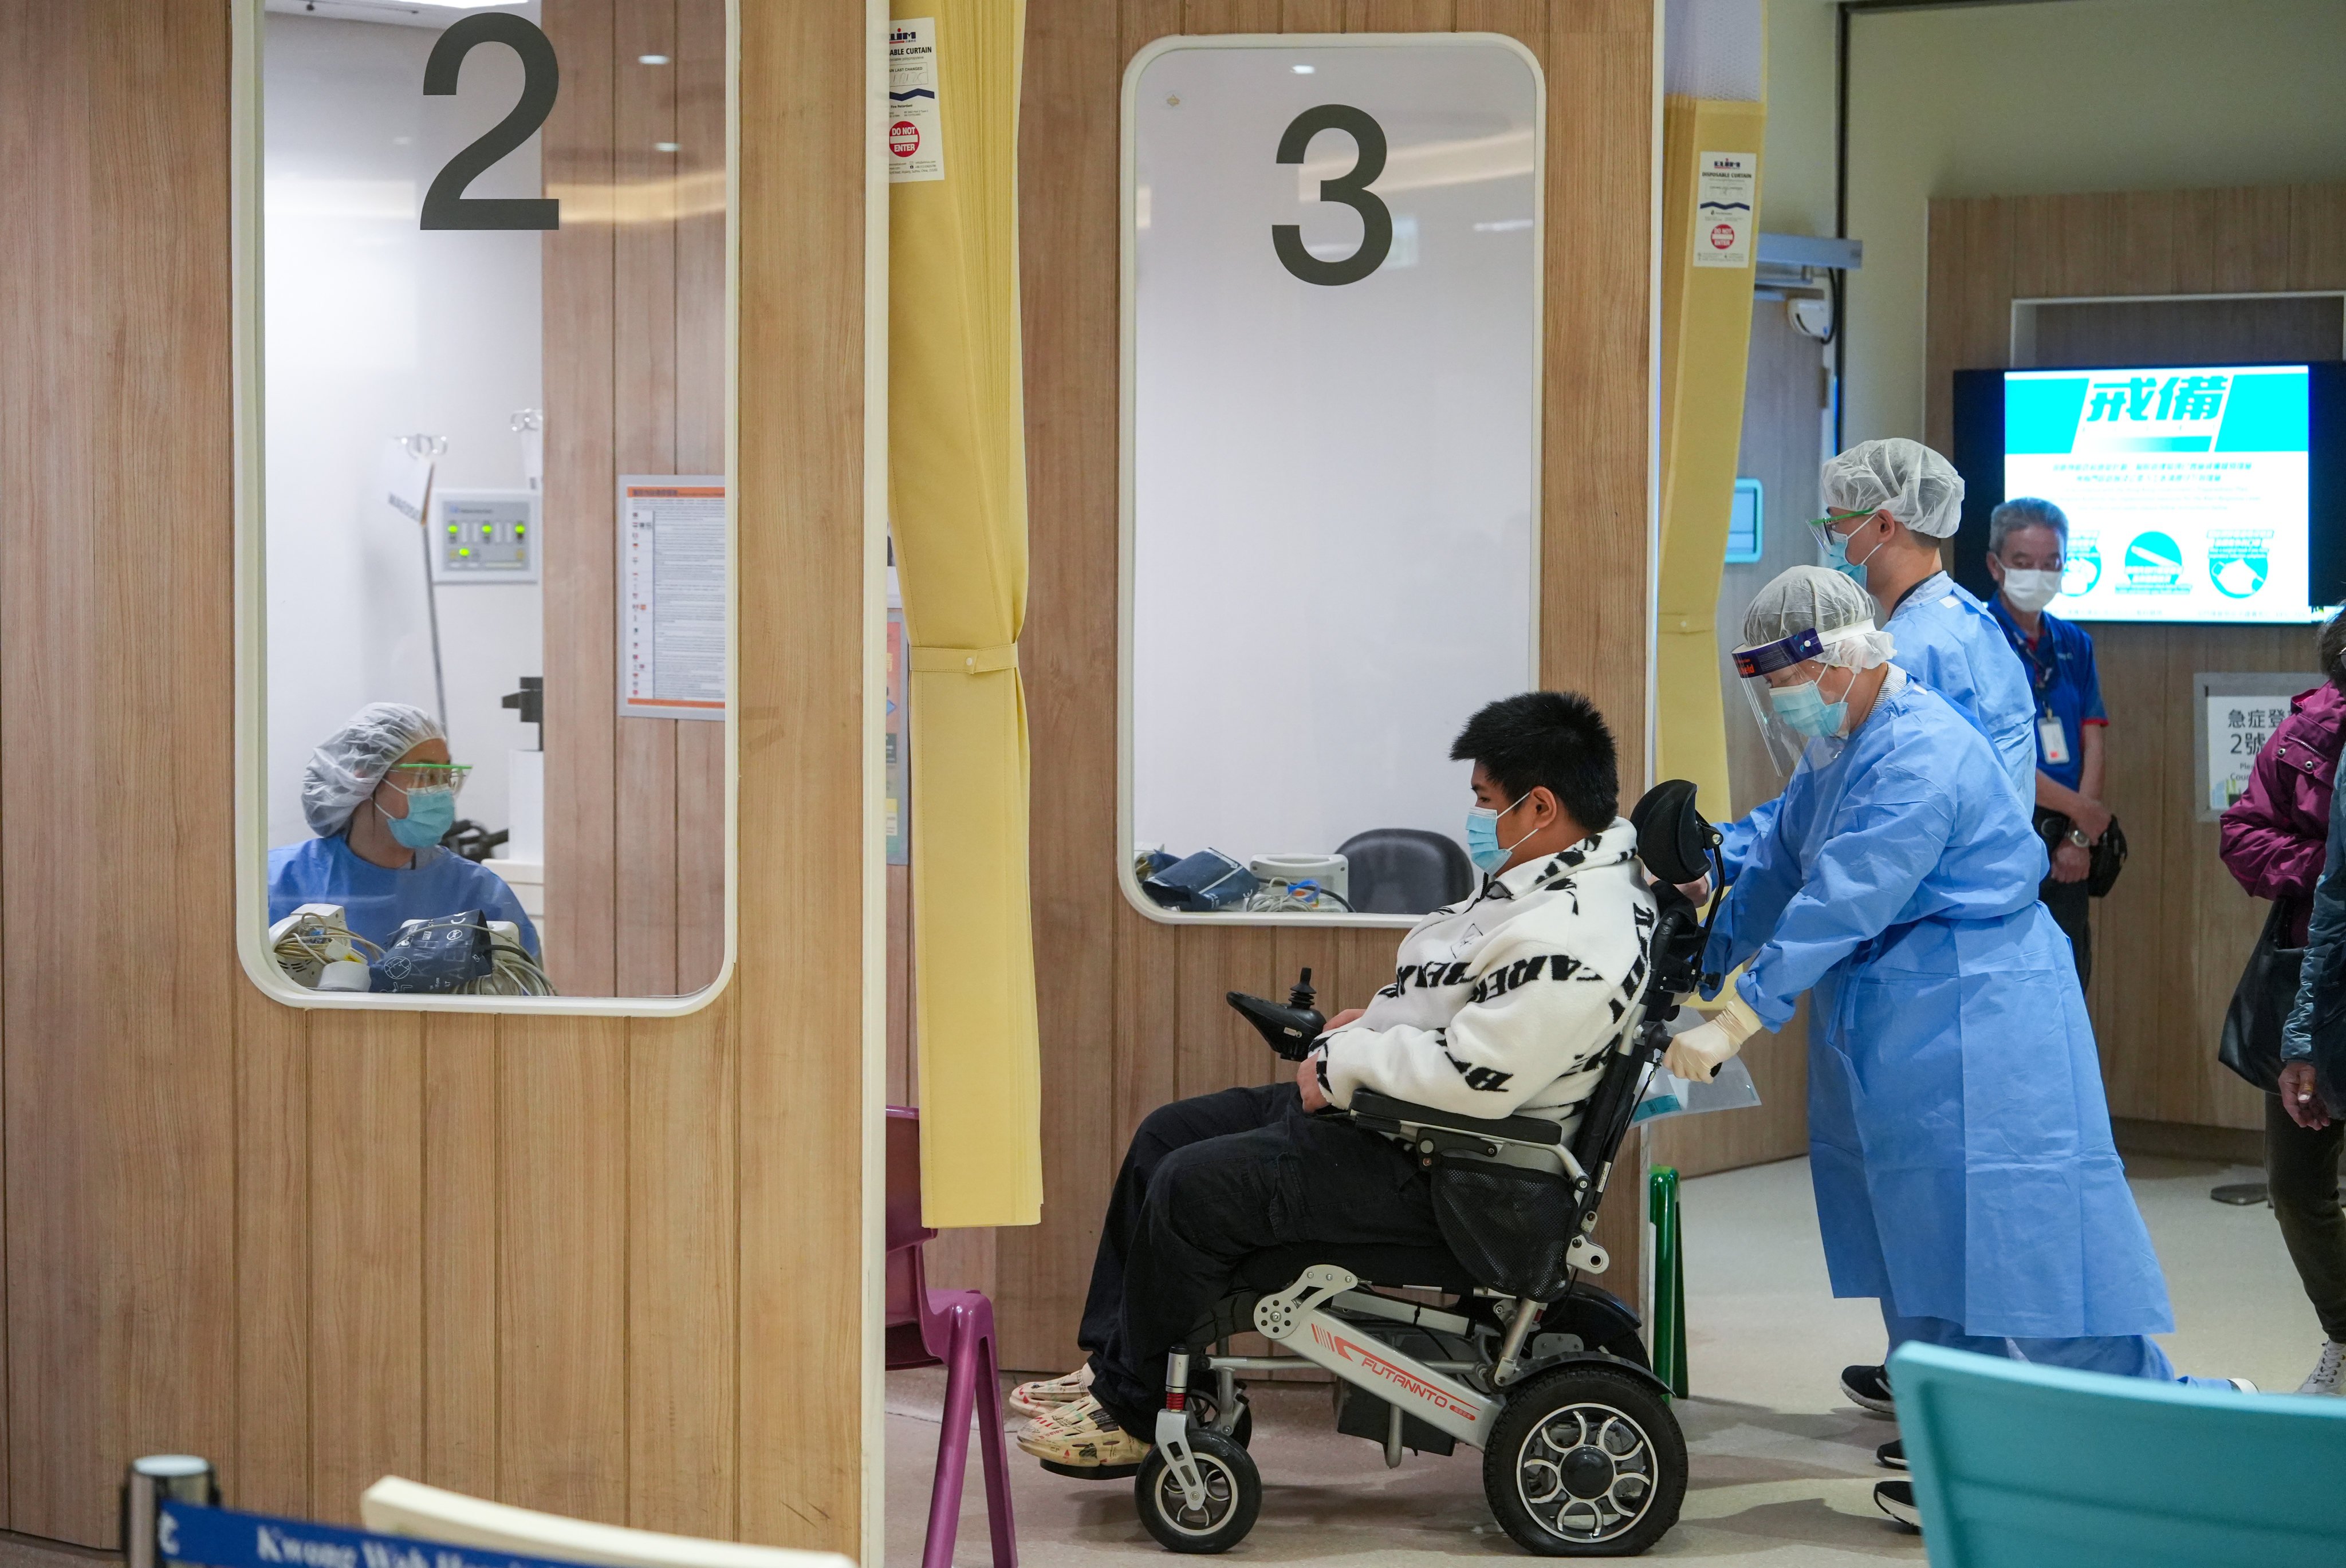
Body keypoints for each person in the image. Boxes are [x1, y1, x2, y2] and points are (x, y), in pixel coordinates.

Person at [1671, 566, 2243, 1530]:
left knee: (2034, 1243)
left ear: (1850, 656)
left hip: (1987, 1009)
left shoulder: (1919, 751)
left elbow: (1847, 889)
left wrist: (1741, 1012)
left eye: (1793, 680)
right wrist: (1700, 921)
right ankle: (1965, 1449)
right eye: (1771, 689)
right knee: (1921, 1250)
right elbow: (1778, 852)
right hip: (1897, 1015)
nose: (1786, 703)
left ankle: (2186, 1430)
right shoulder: (1840, 743)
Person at [1013, 692, 1655, 1472]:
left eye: (1487, 802)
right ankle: (1120, 1364)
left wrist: (1348, 1063)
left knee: (1192, 1186)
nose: (1478, 818)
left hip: (1462, 1174)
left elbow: (1475, 1077)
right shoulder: (1552, 880)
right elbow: (1469, 1012)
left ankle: (1134, 1408)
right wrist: (1370, 1028)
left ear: (1542, 805)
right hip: (1413, 1128)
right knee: (1167, 1135)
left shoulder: (1574, 935)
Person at [1721, 439, 2036, 876]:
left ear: (1884, 526)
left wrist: (1721, 854)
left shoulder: (1903, 653)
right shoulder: (1969, 618)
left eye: (1836, 526)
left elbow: (1825, 800)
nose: (1832, 543)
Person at [2234, 613, 2346, 1396]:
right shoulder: (2308, 732)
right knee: (2297, 1183)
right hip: (2317, 967)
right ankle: (2344, 1337)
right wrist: (2329, 860)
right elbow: (2244, 833)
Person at [269, 702, 540, 959]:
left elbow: (522, 996)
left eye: (445, 777)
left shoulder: (478, 892)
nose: (440, 792)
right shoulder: (278, 882)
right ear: (364, 778)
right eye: (425, 775)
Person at [1983, 497, 2112, 985]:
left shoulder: (2074, 643)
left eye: (2051, 564)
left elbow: (2093, 737)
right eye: (2023, 563)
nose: (2039, 574)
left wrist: (2079, 834)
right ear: (1996, 566)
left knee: (2068, 982)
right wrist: (2083, 812)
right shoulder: (1977, 637)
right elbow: (1993, 758)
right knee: (2009, 986)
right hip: (2002, 833)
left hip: (2070, 839)